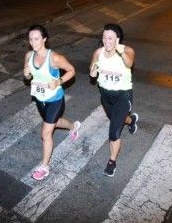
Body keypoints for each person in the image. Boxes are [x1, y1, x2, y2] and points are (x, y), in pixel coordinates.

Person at [23, 24, 81, 181]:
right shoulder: (29, 56)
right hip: (40, 99)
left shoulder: (54, 58)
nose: (33, 42)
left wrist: (58, 81)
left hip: (55, 99)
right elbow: (28, 77)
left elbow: (71, 70)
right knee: (55, 122)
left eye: (36, 39)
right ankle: (74, 126)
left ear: (44, 39)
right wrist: (27, 75)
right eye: (30, 39)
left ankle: (44, 166)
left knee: (46, 133)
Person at [89, 23, 139, 177]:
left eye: (111, 38)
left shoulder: (127, 51)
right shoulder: (99, 52)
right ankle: (131, 121)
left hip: (122, 95)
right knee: (118, 118)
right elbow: (92, 73)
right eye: (104, 37)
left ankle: (112, 162)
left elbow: (129, 63)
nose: (107, 41)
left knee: (114, 132)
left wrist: (119, 50)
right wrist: (93, 70)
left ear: (118, 39)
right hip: (105, 95)